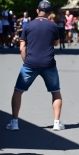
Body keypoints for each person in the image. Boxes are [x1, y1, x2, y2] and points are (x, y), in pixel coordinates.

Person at [6, 0, 64, 131]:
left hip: (30, 63)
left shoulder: (28, 26)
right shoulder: (53, 26)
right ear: (49, 13)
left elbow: (22, 48)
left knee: (18, 91)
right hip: (49, 63)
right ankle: (56, 123)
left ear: (37, 11)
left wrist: (26, 61)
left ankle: (14, 122)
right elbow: (55, 43)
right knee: (55, 92)